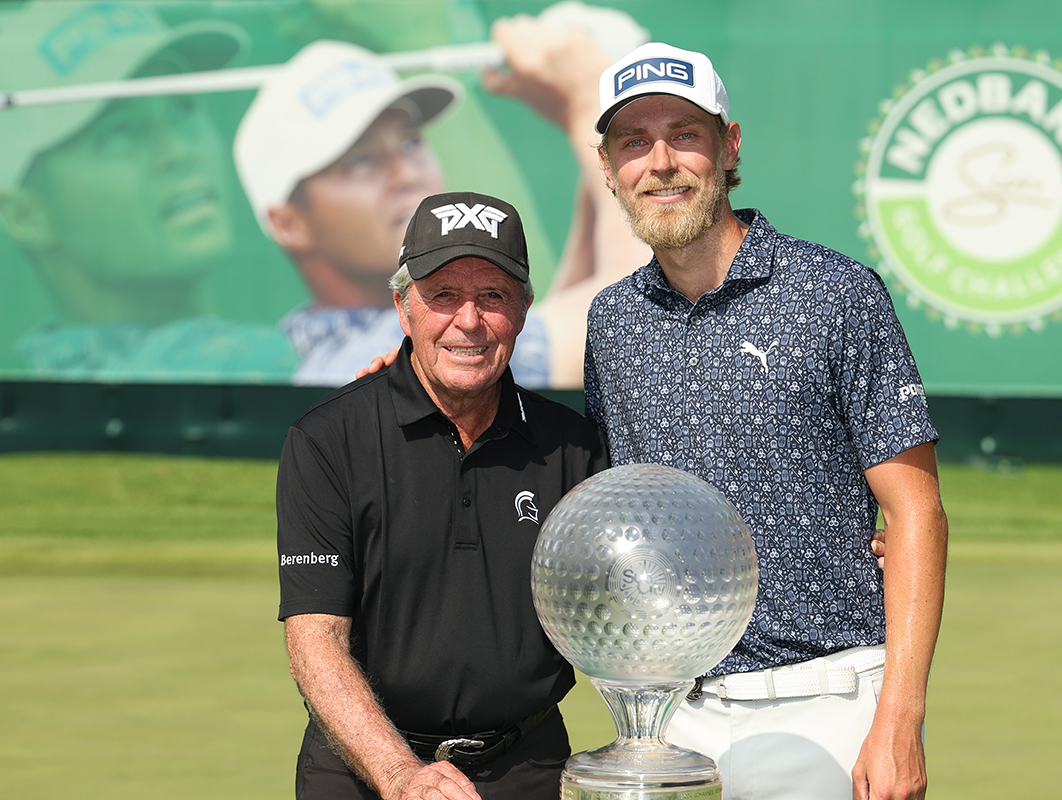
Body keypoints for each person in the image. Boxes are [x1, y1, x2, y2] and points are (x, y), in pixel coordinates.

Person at [583, 43, 949, 800]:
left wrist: (900, 720)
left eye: (684, 134)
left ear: (730, 145)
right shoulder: (613, 321)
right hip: (671, 717)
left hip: (828, 698)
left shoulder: (836, 293)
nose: (660, 162)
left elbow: (915, 509)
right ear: (608, 165)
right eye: (633, 142)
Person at [276, 190, 608, 800]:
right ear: (404, 309)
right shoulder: (328, 439)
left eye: (493, 296)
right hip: (362, 769)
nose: (470, 321)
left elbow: (618, 620)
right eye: (443, 296)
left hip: (526, 767)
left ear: (524, 311)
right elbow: (315, 640)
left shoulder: (575, 448)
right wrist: (402, 775)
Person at [234, 4, 650, 388]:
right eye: (361, 161)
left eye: (411, 142)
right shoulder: (370, 361)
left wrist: (591, 129)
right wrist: (593, 107)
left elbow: (570, 313)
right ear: (288, 222)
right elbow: (633, 323)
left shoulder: (377, 338)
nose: (405, 173)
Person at [0, 0, 296, 381]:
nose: (178, 151)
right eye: (118, 133)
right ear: (26, 215)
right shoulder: (281, 370)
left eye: (183, 107)